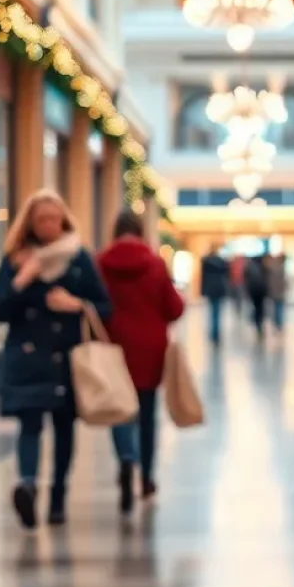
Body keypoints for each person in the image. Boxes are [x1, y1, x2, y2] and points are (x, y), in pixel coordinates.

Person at [0, 189, 111, 529]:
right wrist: (22, 280)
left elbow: (104, 306)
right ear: (30, 223)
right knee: (29, 424)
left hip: (66, 357)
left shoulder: (78, 258)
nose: (48, 225)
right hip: (28, 356)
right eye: (41, 219)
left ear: (64, 220)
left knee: (63, 428)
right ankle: (27, 487)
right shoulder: (16, 259)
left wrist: (77, 304)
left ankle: (58, 495)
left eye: (54, 218)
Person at [98, 211, 185, 510]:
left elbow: (96, 306)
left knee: (119, 410)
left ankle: (126, 457)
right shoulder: (155, 264)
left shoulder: (101, 264)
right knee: (146, 415)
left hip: (113, 348)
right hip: (150, 349)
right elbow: (174, 309)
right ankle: (146, 477)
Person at [200, 246, 230, 345]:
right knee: (217, 312)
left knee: (212, 311)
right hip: (219, 288)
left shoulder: (206, 262)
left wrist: (203, 290)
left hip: (210, 288)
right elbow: (226, 276)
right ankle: (216, 333)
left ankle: (213, 333)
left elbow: (203, 277)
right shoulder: (222, 262)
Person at [244, 254, 268, 339]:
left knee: (256, 307)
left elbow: (246, 279)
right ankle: (259, 323)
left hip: (253, 291)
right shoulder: (263, 267)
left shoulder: (249, 267)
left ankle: (257, 322)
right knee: (260, 308)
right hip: (261, 291)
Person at [266, 252, 288, 332]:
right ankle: (279, 324)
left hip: (275, 291)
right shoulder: (280, 268)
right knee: (279, 308)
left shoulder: (272, 267)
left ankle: (277, 323)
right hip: (279, 291)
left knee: (276, 308)